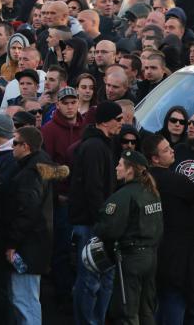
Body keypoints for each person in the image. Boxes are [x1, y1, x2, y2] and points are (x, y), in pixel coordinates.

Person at [1, 126, 68, 325]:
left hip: (28, 247)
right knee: (26, 298)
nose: (11, 147)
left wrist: (11, 243)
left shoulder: (30, 173)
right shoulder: (37, 167)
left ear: (26, 147)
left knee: (24, 300)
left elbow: (27, 212)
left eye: (14, 143)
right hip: (35, 245)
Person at [91, 149, 163, 324]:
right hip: (151, 256)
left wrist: (97, 229)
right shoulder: (151, 192)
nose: (116, 168)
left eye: (120, 164)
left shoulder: (123, 196)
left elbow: (109, 230)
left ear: (130, 169)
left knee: (127, 311)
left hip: (131, 259)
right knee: (146, 310)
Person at [141, 134, 194, 324]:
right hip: (176, 252)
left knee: (155, 301)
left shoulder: (143, 180)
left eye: (170, 147)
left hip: (150, 250)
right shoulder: (174, 180)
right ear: (154, 158)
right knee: (174, 298)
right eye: (166, 150)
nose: (172, 151)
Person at [69, 101, 124, 324]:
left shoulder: (102, 144)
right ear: (104, 121)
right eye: (118, 119)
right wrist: (103, 223)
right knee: (90, 280)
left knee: (103, 278)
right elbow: (93, 188)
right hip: (92, 225)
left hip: (98, 223)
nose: (122, 123)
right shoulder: (94, 147)